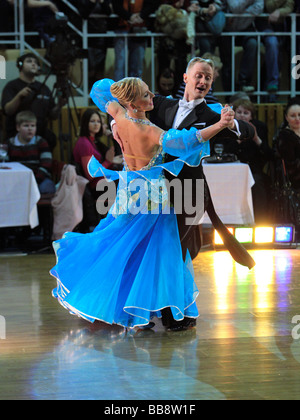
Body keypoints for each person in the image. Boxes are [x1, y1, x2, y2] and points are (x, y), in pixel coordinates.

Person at [50, 77, 255, 332]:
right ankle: (157, 311)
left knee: (127, 248)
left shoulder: (118, 116)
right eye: (145, 96)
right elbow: (191, 140)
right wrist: (221, 124)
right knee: (161, 255)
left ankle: (135, 309)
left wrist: (124, 89)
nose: (152, 98)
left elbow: (99, 91)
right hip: (153, 199)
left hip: (127, 194)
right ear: (132, 102)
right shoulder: (150, 131)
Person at [1, 52, 63, 150]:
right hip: (16, 135)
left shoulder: (44, 88)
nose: (34, 64)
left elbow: (52, 115)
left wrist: (60, 105)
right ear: (20, 65)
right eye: (29, 61)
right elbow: (8, 110)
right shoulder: (11, 86)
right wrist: (19, 96)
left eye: (36, 62)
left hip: (40, 135)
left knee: (51, 138)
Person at [228, 98, 274, 222]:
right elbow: (222, 149)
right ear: (234, 114)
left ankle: (260, 221)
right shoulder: (227, 128)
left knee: (258, 182)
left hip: (253, 171)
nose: (242, 116)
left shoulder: (259, 127)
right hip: (231, 171)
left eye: (246, 113)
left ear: (251, 116)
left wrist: (256, 138)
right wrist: (237, 141)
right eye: (239, 112)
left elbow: (269, 155)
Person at [218, 0, 264, 93]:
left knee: (252, 43)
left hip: (246, 27)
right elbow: (235, 7)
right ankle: (229, 91)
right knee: (226, 58)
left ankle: (244, 82)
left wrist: (240, 13)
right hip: (227, 28)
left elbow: (258, 8)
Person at [7, 110, 55, 194]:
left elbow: (46, 163)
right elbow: (5, 163)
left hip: (38, 178)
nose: (30, 129)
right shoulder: (10, 143)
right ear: (18, 127)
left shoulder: (40, 142)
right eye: (26, 126)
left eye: (33, 126)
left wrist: (36, 180)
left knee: (47, 188)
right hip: (16, 179)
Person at [255, 0, 295, 102]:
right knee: (272, 44)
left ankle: (271, 96)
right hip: (262, 24)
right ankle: (271, 85)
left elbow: (290, 6)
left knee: (278, 57)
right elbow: (269, 5)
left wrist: (279, 12)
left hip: (281, 27)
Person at [111, 0, 159, 81]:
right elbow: (116, 6)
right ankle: (119, 92)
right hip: (122, 28)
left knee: (137, 66)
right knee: (120, 65)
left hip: (140, 28)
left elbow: (153, 4)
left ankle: (135, 92)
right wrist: (129, 16)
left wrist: (141, 16)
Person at [73, 108, 115, 198]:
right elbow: (90, 175)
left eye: (98, 121)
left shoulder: (92, 141)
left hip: (101, 183)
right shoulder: (84, 143)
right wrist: (108, 162)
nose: (96, 124)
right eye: (92, 121)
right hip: (95, 188)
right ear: (85, 123)